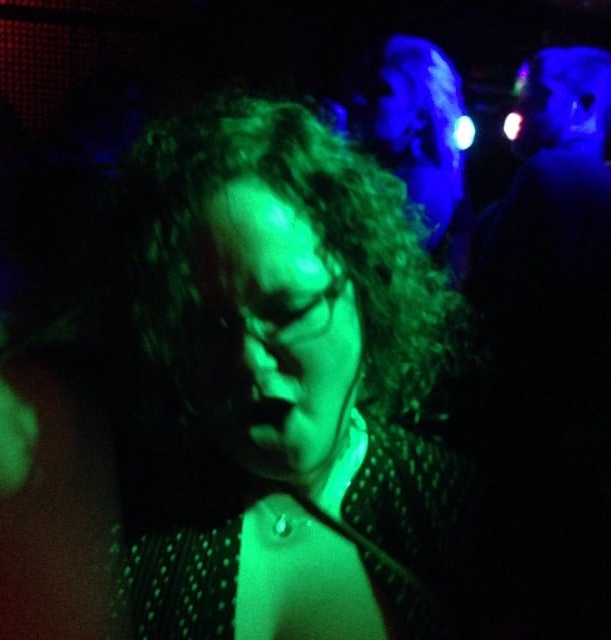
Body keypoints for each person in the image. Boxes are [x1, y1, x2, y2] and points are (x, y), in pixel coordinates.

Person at [103, 91, 480, 640]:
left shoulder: (459, 511)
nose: (249, 362)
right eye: (206, 328)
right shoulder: (118, 519)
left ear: (365, 288)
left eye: (287, 311)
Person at [465, 45, 611, 637]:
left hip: (523, 419)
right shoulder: (595, 182)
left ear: (586, 104)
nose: (519, 111)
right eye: (519, 97)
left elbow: (500, 305)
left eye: (538, 98)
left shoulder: (547, 175)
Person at [342, 35, 474, 282]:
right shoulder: (387, 172)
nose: (360, 99)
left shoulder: (426, 184)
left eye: (381, 90)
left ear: (420, 116)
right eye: (365, 88)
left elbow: (371, 272)